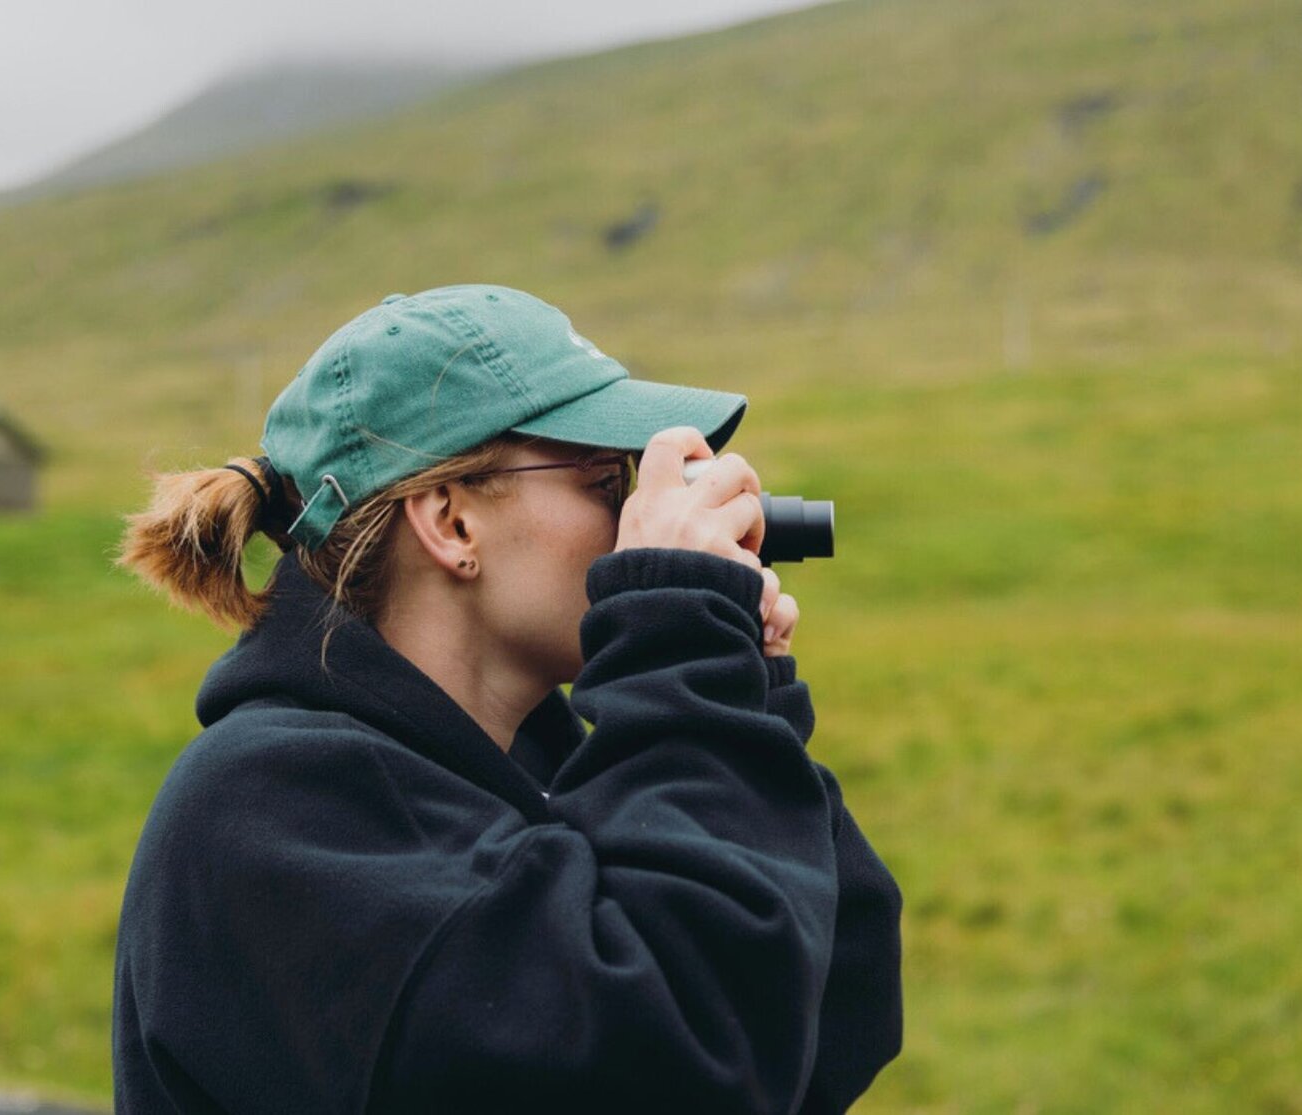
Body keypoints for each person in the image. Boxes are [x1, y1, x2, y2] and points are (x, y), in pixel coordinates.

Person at [110, 284, 902, 1114]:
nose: (636, 512)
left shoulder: (530, 758)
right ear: (451, 522)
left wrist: (740, 694)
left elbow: (830, 1016)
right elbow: (679, 1064)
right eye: (604, 479)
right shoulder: (272, 810)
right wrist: (680, 658)